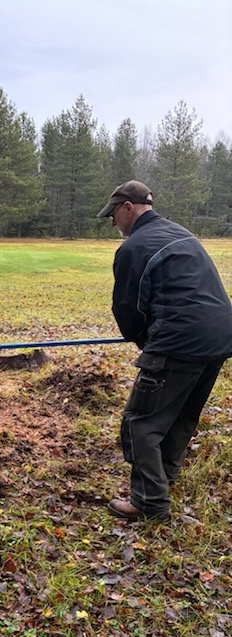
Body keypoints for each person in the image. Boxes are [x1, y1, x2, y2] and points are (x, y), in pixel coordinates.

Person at [97, 180, 232, 521]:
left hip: (179, 341)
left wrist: (149, 345)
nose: (114, 223)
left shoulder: (134, 247)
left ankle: (149, 502)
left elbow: (129, 310)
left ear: (128, 208)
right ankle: (164, 479)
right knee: (180, 416)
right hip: (220, 338)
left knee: (140, 423)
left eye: (113, 214)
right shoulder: (181, 234)